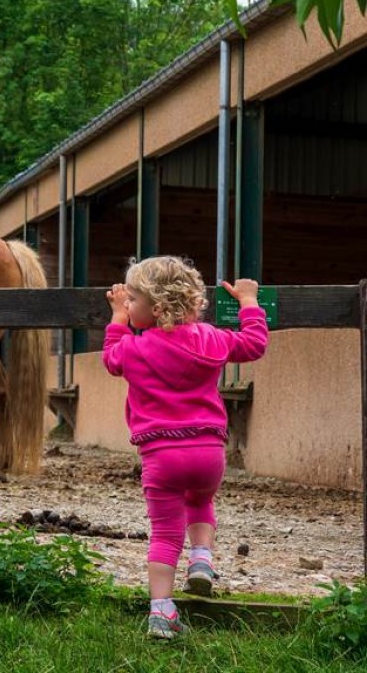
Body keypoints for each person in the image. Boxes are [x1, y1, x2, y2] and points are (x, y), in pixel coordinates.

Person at [103, 256, 268, 639]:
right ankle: (201, 560)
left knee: (164, 533)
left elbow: (111, 359)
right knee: (200, 502)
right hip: (209, 452)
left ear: (156, 308)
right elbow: (254, 344)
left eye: (133, 300)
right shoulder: (212, 338)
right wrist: (248, 302)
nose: (127, 304)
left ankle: (161, 612)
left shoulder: (133, 348)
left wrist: (116, 318)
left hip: (161, 456)